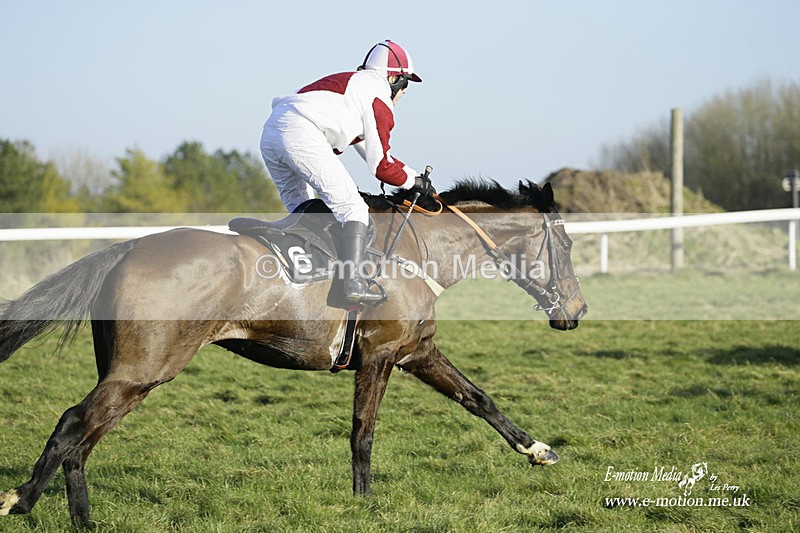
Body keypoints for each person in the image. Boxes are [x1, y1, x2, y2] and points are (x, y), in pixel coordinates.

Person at [260, 39, 433, 304]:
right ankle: (352, 284)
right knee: (353, 208)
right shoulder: (378, 96)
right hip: (300, 133)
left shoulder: (354, 87)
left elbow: (370, 150)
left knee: (306, 209)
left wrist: (412, 175)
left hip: (271, 132)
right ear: (393, 78)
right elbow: (381, 167)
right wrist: (414, 182)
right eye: (405, 83)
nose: (405, 92)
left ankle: (307, 278)